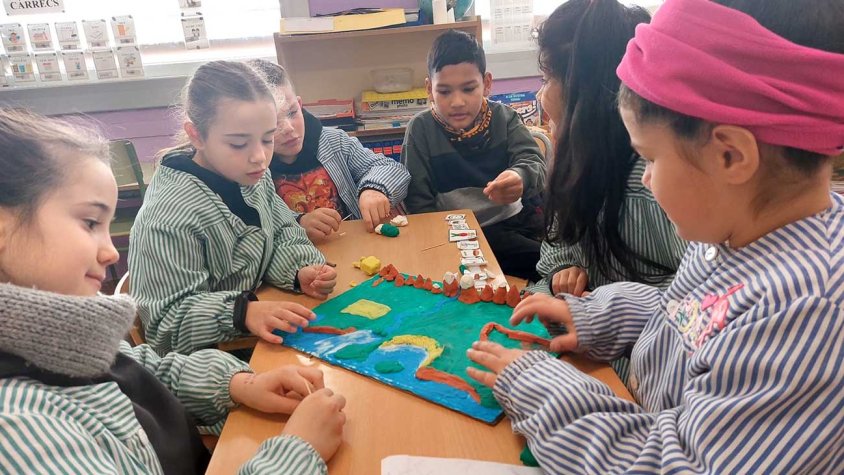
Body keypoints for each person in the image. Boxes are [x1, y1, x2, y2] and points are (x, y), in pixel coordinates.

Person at [467, 0, 844, 471]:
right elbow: (691, 316)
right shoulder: (735, 232)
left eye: (651, 158)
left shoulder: (805, 313)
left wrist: (541, 388)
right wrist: (599, 316)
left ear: (729, 156)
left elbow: (675, 465)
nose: (644, 177)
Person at [0, 108, 346, 474]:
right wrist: (298, 451)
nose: (112, 252)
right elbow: (164, 327)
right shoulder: (20, 427)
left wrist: (240, 384)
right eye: (89, 222)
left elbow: (138, 372)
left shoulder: (56, 329)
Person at [129, 61, 337, 355]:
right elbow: (165, 327)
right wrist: (242, 313)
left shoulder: (249, 174)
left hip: (251, 337)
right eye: (239, 144)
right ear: (196, 135)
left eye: (267, 138)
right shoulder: (168, 216)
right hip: (209, 366)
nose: (259, 158)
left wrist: (298, 269)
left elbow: (282, 232)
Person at [528, 0, 686, 298]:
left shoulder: (652, 184)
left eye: (548, 79)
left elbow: (704, 294)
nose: (541, 93)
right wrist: (562, 271)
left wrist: (614, 303)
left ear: (582, 94)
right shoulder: (575, 166)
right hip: (587, 328)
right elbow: (554, 252)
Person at [402, 30, 546, 280]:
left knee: (552, 262)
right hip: (452, 235)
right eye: (444, 91)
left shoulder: (505, 117)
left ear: (487, 83)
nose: (457, 102)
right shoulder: (420, 129)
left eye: (469, 89)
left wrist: (519, 176)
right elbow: (418, 202)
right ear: (429, 88)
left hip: (511, 223)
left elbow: (534, 162)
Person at [247, 59, 411, 241]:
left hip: (353, 245)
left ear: (300, 105)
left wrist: (374, 189)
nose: (288, 128)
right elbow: (256, 222)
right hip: (299, 259)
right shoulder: (253, 166)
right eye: (273, 122)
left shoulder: (333, 141)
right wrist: (299, 223)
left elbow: (393, 169)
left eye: (292, 112)